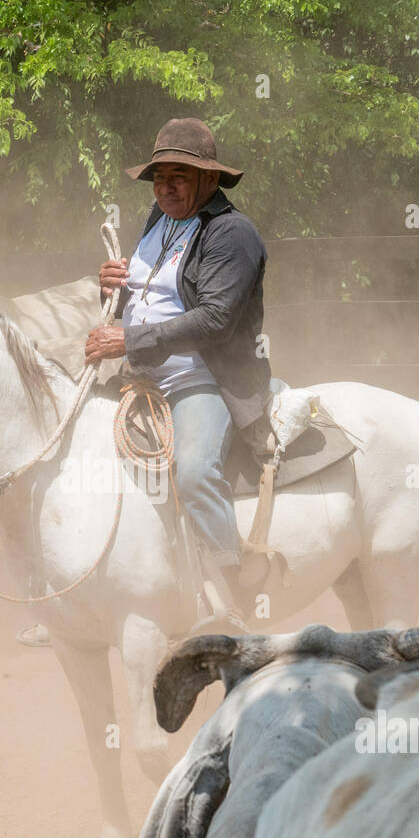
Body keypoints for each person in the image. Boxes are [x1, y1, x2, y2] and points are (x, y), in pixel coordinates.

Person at [85, 117, 272, 632]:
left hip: (204, 377)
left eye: (179, 176)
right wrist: (111, 291)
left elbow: (214, 319)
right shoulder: (161, 219)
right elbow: (150, 295)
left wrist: (127, 340)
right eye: (159, 176)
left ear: (209, 181)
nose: (165, 186)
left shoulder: (231, 234)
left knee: (192, 471)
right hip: (141, 374)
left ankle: (232, 592)